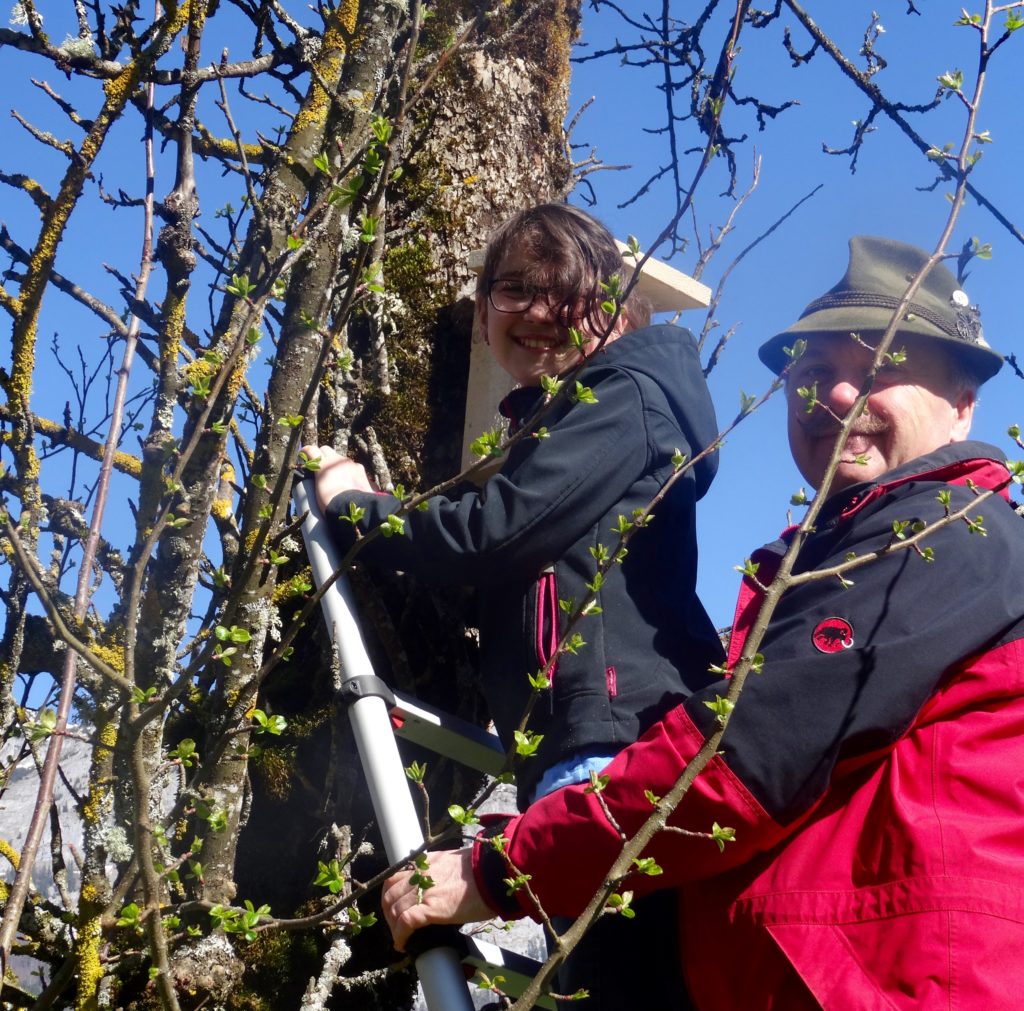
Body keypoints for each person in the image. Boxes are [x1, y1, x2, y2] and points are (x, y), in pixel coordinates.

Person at [380, 235, 1024, 1009]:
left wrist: (500, 867)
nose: (840, 397)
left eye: (881, 365)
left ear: (962, 403)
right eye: (815, 375)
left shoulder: (948, 536)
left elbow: (744, 752)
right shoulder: (851, 553)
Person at [303, 203, 724, 1007]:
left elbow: (494, 534)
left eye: (560, 292)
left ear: (618, 306)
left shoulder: (622, 396)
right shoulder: (569, 415)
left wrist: (356, 504)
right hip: (576, 741)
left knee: (616, 983)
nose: (533, 312)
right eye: (510, 290)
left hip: (610, 737)